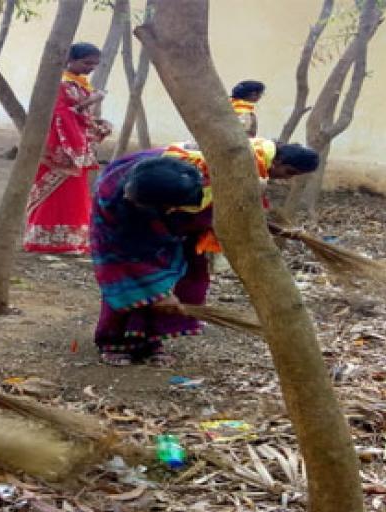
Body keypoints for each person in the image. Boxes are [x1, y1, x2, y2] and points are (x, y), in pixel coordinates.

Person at [90, 139, 319, 366]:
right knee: (128, 283)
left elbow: (218, 211)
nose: (286, 178)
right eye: (289, 171)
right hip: (129, 228)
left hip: (171, 221)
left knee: (184, 277)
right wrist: (154, 290)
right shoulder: (113, 199)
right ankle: (114, 341)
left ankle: (149, 341)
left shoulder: (203, 177)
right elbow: (124, 257)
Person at [23, 42, 112, 254]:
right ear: (70, 60)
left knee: (74, 195)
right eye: (86, 63)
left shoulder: (79, 84)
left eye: (94, 64)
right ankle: (44, 240)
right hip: (61, 148)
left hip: (75, 146)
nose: (90, 68)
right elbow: (60, 114)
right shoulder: (61, 84)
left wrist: (96, 123)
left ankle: (71, 240)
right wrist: (89, 103)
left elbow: (78, 116)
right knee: (56, 195)